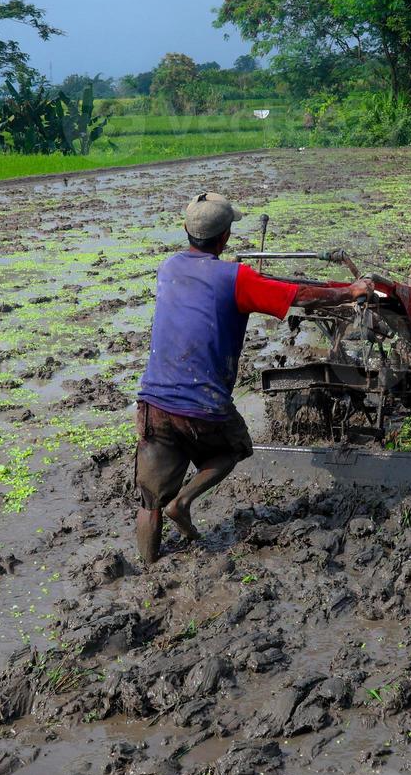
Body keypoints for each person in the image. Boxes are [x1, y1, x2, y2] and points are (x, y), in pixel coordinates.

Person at [134, 192, 373, 565]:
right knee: (234, 448)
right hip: (203, 404)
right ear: (226, 237)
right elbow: (299, 295)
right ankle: (182, 502)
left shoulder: (169, 268)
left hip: (152, 404)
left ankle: (148, 569)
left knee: (149, 500)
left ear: (186, 230)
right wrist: (350, 290)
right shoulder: (237, 279)